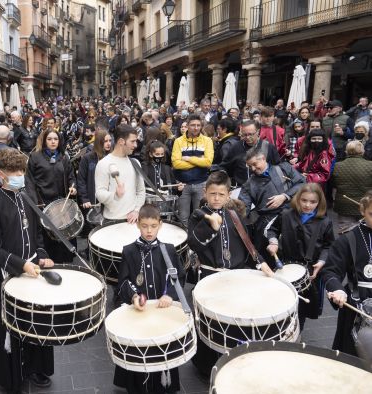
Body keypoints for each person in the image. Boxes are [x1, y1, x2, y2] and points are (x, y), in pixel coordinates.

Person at [187, 170, 273, 375]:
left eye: (221, 194)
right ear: (205, 193)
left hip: (236, 277)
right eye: (212, 194)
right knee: (210, 321)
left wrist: (261, 263)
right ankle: (206, 366)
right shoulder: (198, 216)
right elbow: (194, 244)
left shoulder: (234, 215)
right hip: (210, 278)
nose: (216, 198)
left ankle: (234, 361)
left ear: (228, 195)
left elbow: (247, 244)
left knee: (234, 320)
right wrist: (211, 227)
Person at [0, 149, 55, 391]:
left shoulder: (28, 196)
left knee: (38, 320)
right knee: (11, 327)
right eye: (15, 173)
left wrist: (42, 256)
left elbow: (37, 235)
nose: (20, 176)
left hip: (33, 267)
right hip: (9, 273)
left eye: (22, 171)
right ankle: (12, 374)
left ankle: (37, 368)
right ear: (1, 175)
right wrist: (19, 264)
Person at [114, 204, 186, 394]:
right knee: (139, 354)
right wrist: (134, 296)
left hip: (163, 314)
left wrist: (169, 294)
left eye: (153, 226)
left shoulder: (168, 250)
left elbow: (178, 276)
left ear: (160, 225)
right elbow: (123, 282)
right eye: (144, 226)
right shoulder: (129, 251)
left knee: (162, 352)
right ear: (138, 224)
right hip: (140, 313)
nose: (148, 230)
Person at [266, 183, 334, 330]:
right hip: (285, 265)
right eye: (304, 200)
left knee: (301, 309)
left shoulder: (325, 222)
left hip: (309, 270)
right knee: (281, 304)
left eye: (313, 202)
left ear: (319, 202)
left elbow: (329, 246)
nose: (308, 205)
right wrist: (273, 242)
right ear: (298, 199)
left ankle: (298, 332)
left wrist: (322, 261)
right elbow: (272, 229)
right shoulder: (286, 214)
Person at [321, 191, 372, 356]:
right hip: (358, 305)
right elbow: (331, 271)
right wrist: (337, 289)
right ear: (362, 210)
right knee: (353, 358)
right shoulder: (348, 239)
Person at [239, 147, 305, 266]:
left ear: (263, 158)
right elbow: (243, 207)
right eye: (250, 166)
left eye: (255, 164)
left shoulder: (284, 168)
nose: (253, 169)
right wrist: (232, 209)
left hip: (294, 216)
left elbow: (302, 183)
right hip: (267, 222)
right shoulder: (248, 184)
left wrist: (285, 196)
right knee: (270, 260)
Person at [25, 128, 76, 263]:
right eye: (49, 139)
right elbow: (29, 181)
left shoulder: (64, 157)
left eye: (55, 139)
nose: (53, 142)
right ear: (44, 141)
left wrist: (73, 187)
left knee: (63, 235)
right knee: (48, 237)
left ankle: (66, 262)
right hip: (44, 204)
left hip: (61, 203)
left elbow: (71, 176)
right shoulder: (35, 157)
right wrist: (34, 202)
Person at [95, 124, 146, 223]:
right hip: (112, 221)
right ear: (121, 141)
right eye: (132, 141)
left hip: (133, 221)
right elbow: (100, 194)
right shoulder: (103, 164)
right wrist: (115, 195)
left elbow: (141, 191)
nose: (135, 145)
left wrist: (136, 210)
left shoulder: (135, 163)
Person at [171, 114, 214, 227]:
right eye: (193, 125)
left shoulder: (207, 141)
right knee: (182, 218)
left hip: (201, 183)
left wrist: (189, 159)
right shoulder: (178, 141)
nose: (196, 128)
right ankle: (185, 244)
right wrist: (199, 161)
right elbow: (176, 164)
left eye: (198, 125)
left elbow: (208, 163)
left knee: (200, 217)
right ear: (187, 126)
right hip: (182, 184)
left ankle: (196, 243)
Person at [331, 140, 372, 233]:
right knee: (366, 233)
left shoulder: (337, 166)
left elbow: (334, 184)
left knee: (346, 234)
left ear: (346, 151)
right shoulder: (370, 165)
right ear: (363, 151)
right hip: (366, 204)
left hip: (344, 205)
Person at [76, 129, 112, 214]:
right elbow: (81, 180)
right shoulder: (87, 158)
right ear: (99, 142)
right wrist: (85, 198)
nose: (108, 143)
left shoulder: (112, 157)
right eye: (105, 141)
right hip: (92, 201)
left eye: (110, 140)